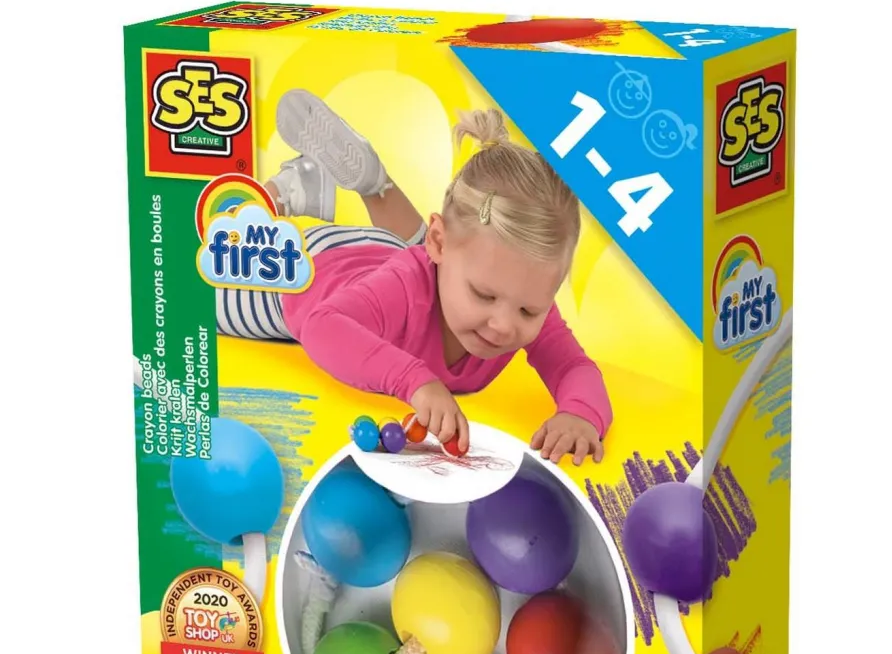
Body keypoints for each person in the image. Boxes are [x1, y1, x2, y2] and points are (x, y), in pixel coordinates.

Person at [215, 89, 612, 466]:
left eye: (529, 311)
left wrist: (580, 414)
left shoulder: (510, 285)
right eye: (483, 295)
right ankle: (283, 192)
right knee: (212, 267)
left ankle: (371, 187)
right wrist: (414, 381)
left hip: (387, 253)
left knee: (430, 258)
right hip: (305, 271)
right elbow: (321, 326)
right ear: (439, 243)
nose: (504, 325)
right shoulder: (408, 287)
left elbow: (574, 366)